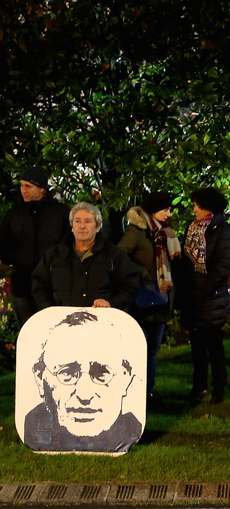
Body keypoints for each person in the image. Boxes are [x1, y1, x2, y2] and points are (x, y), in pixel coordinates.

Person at [24, 310, 142, 453]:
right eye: (67, 373)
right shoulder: (30, 429)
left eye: (101, 374)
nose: (84, 395)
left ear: (125, 380)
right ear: (40, 379)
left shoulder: (133, 431)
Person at [117, 192, 181, 402]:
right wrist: (141, 273)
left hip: (160, 298)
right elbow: (119, 255)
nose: (169, 214)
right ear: (153, 211)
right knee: (139, 348)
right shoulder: (136, 231)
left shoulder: (164, 232)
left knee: (153, 348)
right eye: (166, 209)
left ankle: (148, 391)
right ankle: (134, 393)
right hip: (142, 298)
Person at [176, 188, 230, 405]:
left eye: (198, 206)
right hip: (192, 296)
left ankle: (219, 388)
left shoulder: (221, 230)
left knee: (214, 345)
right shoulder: (192, 228)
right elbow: (185, 261)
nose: (194, 210)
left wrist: (204, 291)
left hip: (211, 298)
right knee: (196, 346)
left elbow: (222, 266)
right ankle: (199, 386)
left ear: (209, 208)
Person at [32, 202, 139, 310]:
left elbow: (130, 286)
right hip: (60, 318)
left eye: (87, 221)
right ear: (72, 226)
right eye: (77, 221)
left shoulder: (114, 255)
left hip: (101, 318)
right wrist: (50, 309)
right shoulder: (54, 255)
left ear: (97, 227)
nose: (82, 226)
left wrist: (110, 303)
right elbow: (39, 286)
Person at [0, 166, 71, 326]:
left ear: (41, 189)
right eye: (21, 185)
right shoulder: (13, 215)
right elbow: (3, 247)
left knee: (54, 330)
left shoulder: (61, 213)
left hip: (54, 286)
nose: (23, 190)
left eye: (28, 186)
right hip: (23, 286)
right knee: (27, 333)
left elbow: (70, 245)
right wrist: (18, 258)